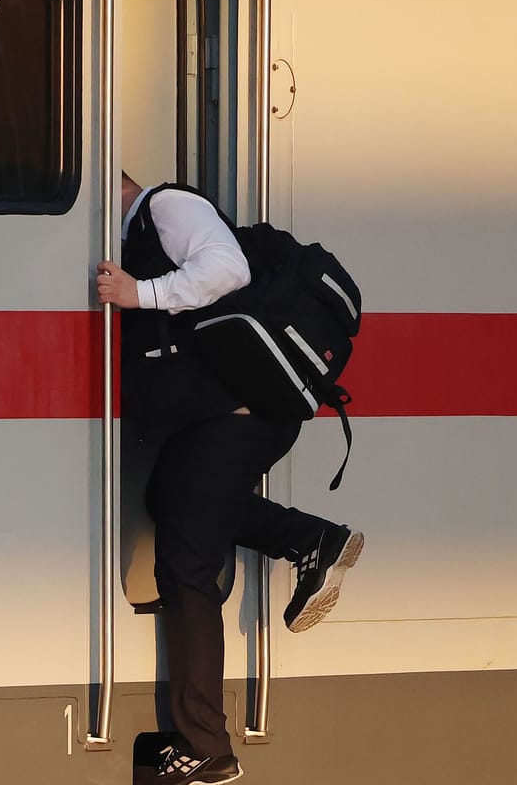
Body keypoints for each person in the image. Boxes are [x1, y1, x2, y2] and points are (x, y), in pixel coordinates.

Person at [96, 172, 363, 785]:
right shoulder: (148, 224)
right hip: (229, 414)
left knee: (185, 563)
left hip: (241, 416)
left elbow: (227, 270)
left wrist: (141, 294)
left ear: (115, 187)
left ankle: (206, 747)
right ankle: (314, 542)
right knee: (170, 496)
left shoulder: (166, 207)